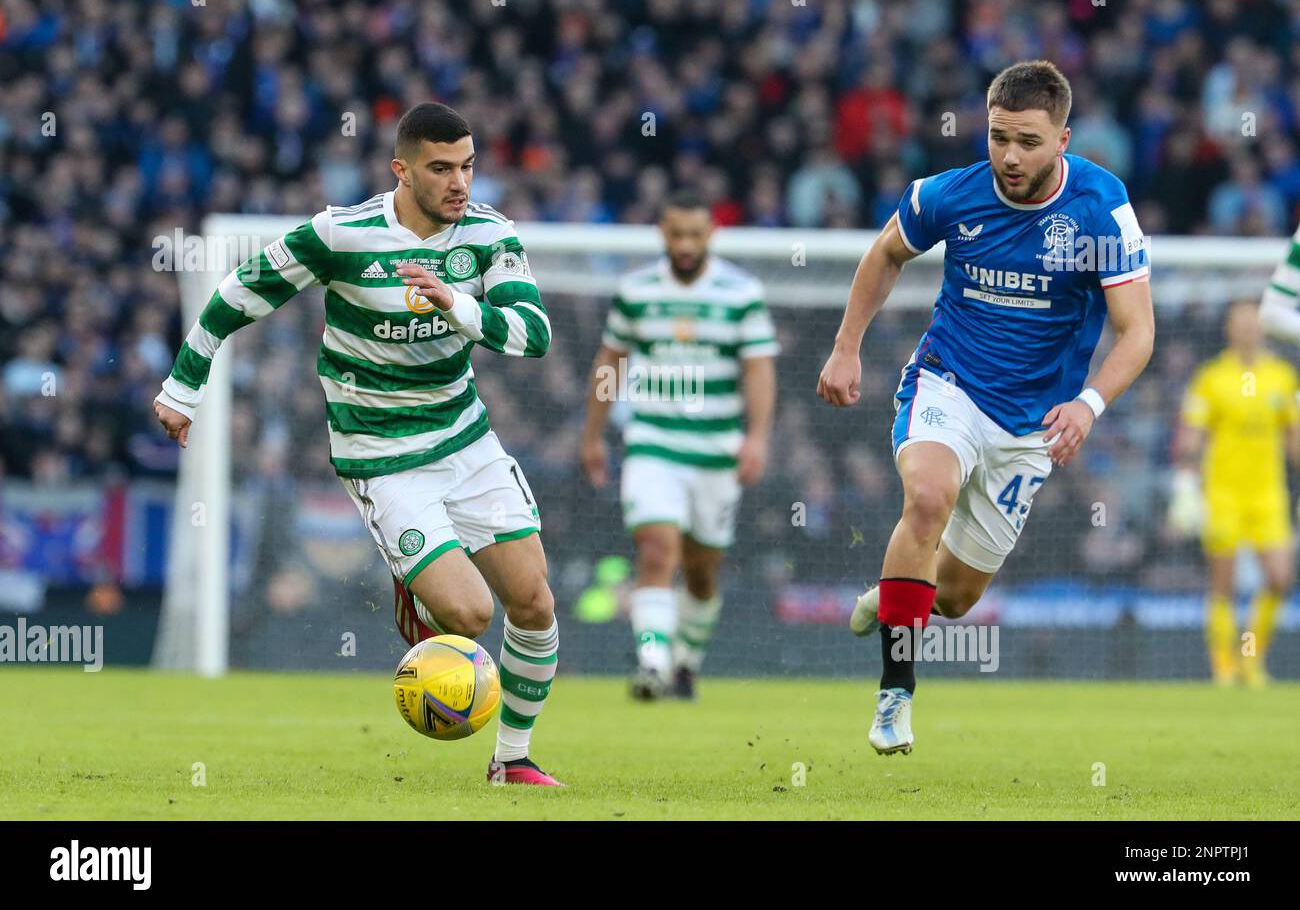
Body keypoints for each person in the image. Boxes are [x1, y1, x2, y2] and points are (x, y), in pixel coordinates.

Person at [153, 102, 563, 785]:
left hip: (466, 441)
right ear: (401, 170)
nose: (459, 182)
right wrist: (183, 385)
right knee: (468, 612)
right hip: (379, 453)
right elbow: (239, 292)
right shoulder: (341, 236)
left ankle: (512, 761)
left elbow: (535, 334)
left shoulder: (490, 235)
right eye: (440, 169)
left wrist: (456, 305)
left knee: (535, 603)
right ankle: (420, 592)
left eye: (467, 166)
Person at [817, 61, 1155, 754]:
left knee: (958, 596)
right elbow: (886, 252)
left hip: (1032, 422)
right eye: (998, 136)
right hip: (949, 383)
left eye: (1028, 141)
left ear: (1064, 138)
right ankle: (895, 694)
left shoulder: (1101, 206)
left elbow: (1138, 330)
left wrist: (1089, 405)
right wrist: (847, 346)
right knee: (927, 499)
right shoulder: (952, 194)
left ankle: (891, 593)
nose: (1008, 156)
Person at [580, 191, 778, 700]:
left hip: (716, 449)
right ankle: (652, 664)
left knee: (702, 570)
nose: (685, 244)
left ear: (711, 234)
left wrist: (756, 437)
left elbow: (758, 369)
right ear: (662, 234)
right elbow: (612, 361)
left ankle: (686, 660)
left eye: (695, 233)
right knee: (655, 549)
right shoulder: (636, 290)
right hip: (653, 443)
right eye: (676, 234)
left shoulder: (741, 292)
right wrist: (593, 435)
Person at [1174, 301, 1298, 687]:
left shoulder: (1283, 377)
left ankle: (1251, 658)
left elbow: (1295, 441)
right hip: (1223, 494)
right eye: (1239, 323)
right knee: (1223, 584)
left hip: (1267, 495)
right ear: (1228, 329)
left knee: (1279, 579)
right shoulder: (1211, 378)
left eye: (1253, 322)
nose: (1247, 329)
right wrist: (1185, 489)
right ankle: (1224, 667)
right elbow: (1189, 438)